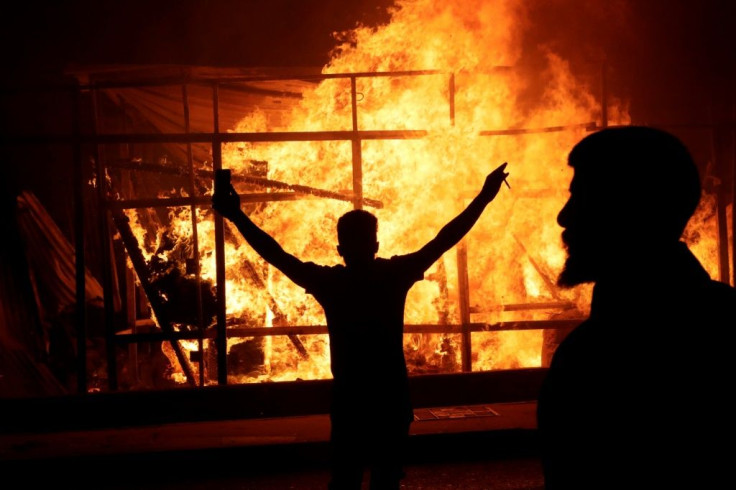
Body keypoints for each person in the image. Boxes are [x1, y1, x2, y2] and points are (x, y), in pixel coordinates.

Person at [213, 163, 510, 489]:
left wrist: (237, 216)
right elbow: (445, 238)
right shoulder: (394, 275)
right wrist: (484, 196)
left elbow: (277, 255)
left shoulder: (331, 283)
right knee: (387, 481)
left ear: (340, 250)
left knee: (345, 480)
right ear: (376, 246)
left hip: (350, 402)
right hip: (391, 399)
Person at [537, 126, 736, 489]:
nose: (564, 217)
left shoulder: (592, 357)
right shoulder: (730, 322)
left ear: (629, 208)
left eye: (581, 197)